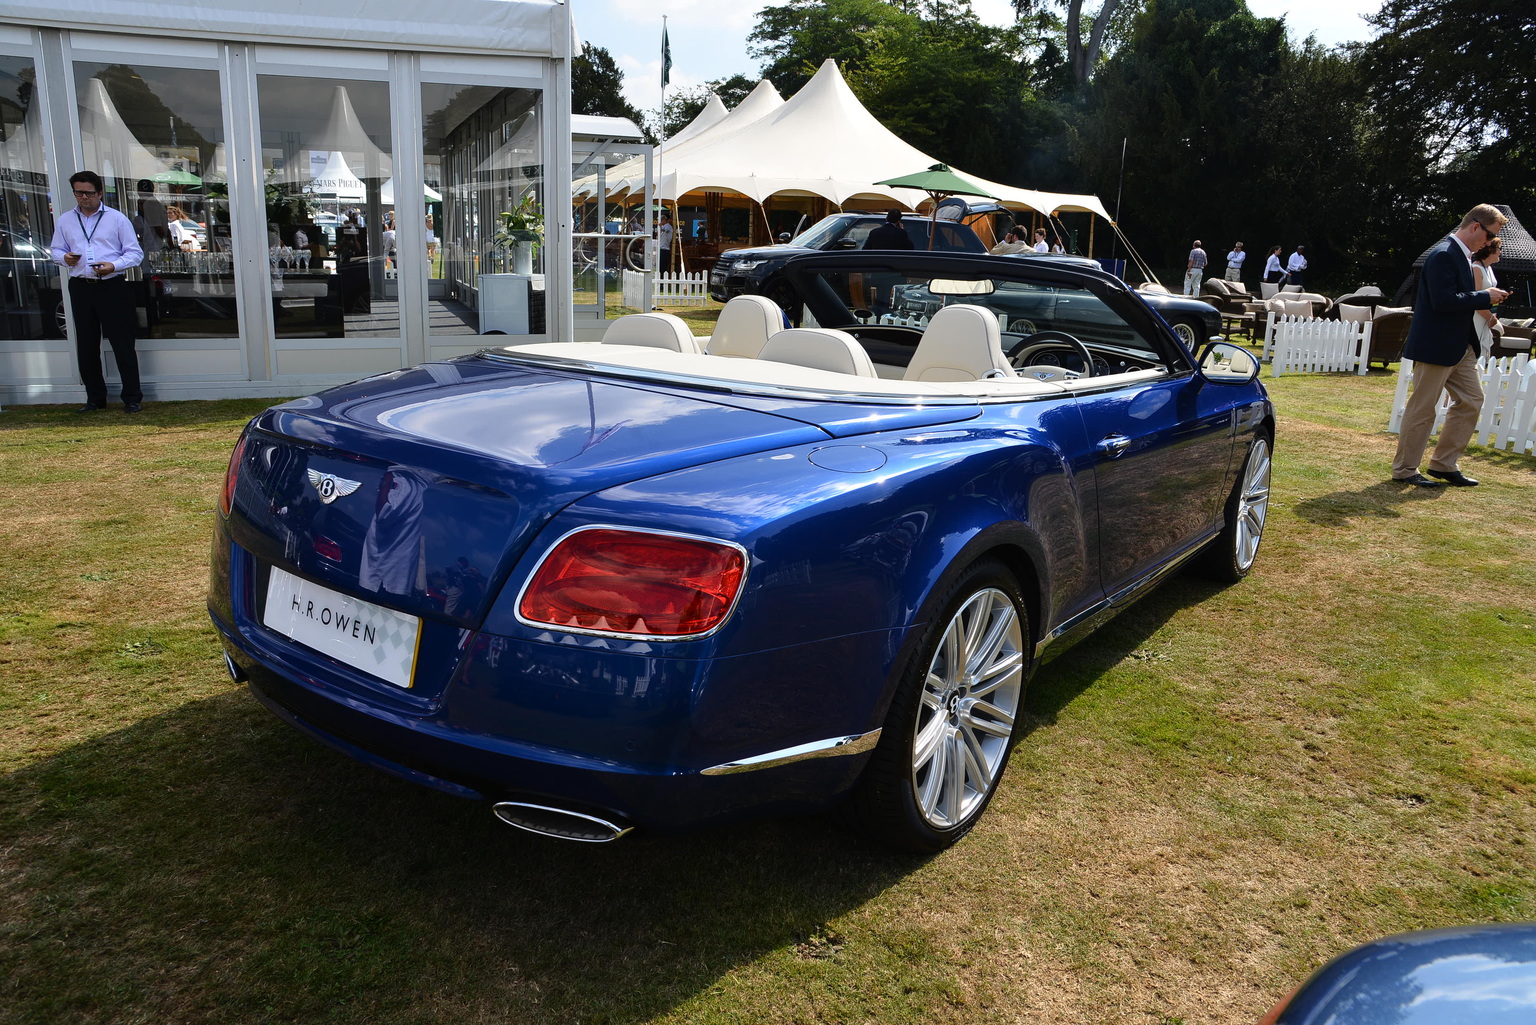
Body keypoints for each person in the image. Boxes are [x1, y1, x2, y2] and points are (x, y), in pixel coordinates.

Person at [1390, 204, 1511, 488]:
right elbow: (1443, 301)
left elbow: (1457, 298)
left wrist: (1484, 298)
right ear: (1475, 227)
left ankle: (1444, 464)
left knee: (1471, 400)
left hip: (1460, 346)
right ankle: (1405, 470)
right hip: (1437, 345)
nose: (1491, 242)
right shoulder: (1444, 255)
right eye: (1491, 235)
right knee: (1423, 408)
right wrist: (1484, 297)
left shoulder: (1462, 256)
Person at [50, 170, 145, 413]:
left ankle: (132, 397)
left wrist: (113, 265)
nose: (84, 197)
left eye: (89, 193)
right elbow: (56, 250)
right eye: (79, 193)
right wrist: (65, 258)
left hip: (112, 284)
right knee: (86, 343)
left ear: (100, 193)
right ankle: (95, 399)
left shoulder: (116, 218)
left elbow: (135, 253)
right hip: (81, 285)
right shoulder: (65, 220)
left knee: (122, 342)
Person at [1471, 237, 1503, 358]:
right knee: (1475, 352)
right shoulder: (1476, 269)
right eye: (1499, 248)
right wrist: (1490, 318)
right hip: (1476, 317)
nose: (1500, 251)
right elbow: (1476, 299)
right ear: (1490, 250)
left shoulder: (1488, 268)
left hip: (1486, 316)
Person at [135, 179, 169, 266]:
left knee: (153, 273)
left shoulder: (150, 204)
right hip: (155, 245)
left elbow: (157, 227)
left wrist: (165, 241)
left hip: (154, 246)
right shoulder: (156, 203)